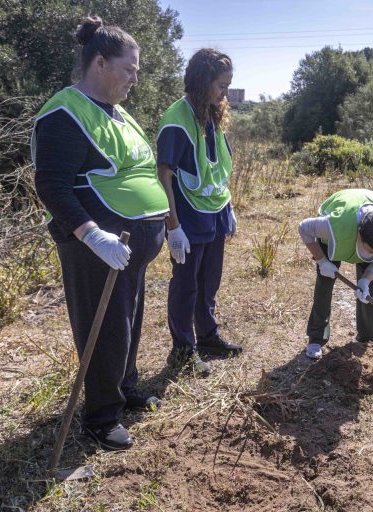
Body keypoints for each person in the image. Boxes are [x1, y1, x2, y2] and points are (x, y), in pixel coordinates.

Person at [32, 16, 168, 451]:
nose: (135, 78)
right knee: (104, 327)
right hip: (96, 247)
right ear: (100, 63)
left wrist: (167, 226)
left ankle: (124, 388)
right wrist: (92, 235)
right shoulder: (64, 113)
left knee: (127, 321)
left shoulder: (119, 113)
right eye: (129, 69)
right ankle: (101, 417)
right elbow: (51, 185)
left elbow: (142, 172)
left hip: (131, 247)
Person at [157, 48, 243, 375]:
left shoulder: (213, 114)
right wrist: (172, 226)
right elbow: (163, 174)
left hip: (215, 211)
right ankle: (182, 350)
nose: (225, 92)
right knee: (186, 283)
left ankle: (207, 336)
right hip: (188, 216)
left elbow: (219, 167)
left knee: (209, 280)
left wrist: (229, 207)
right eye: (221, 85)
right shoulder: (176, 119)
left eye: (228, 85)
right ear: (202, 80)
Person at [299, 189, 373, 359]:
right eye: (371, 251)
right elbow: (304, 228)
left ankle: (368, 337)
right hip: (340, 226)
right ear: (359, 235)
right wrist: (321, 261)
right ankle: (316, 338)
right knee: (325, 282)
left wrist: (365, 280)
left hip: (371, 212)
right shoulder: (334, 225)